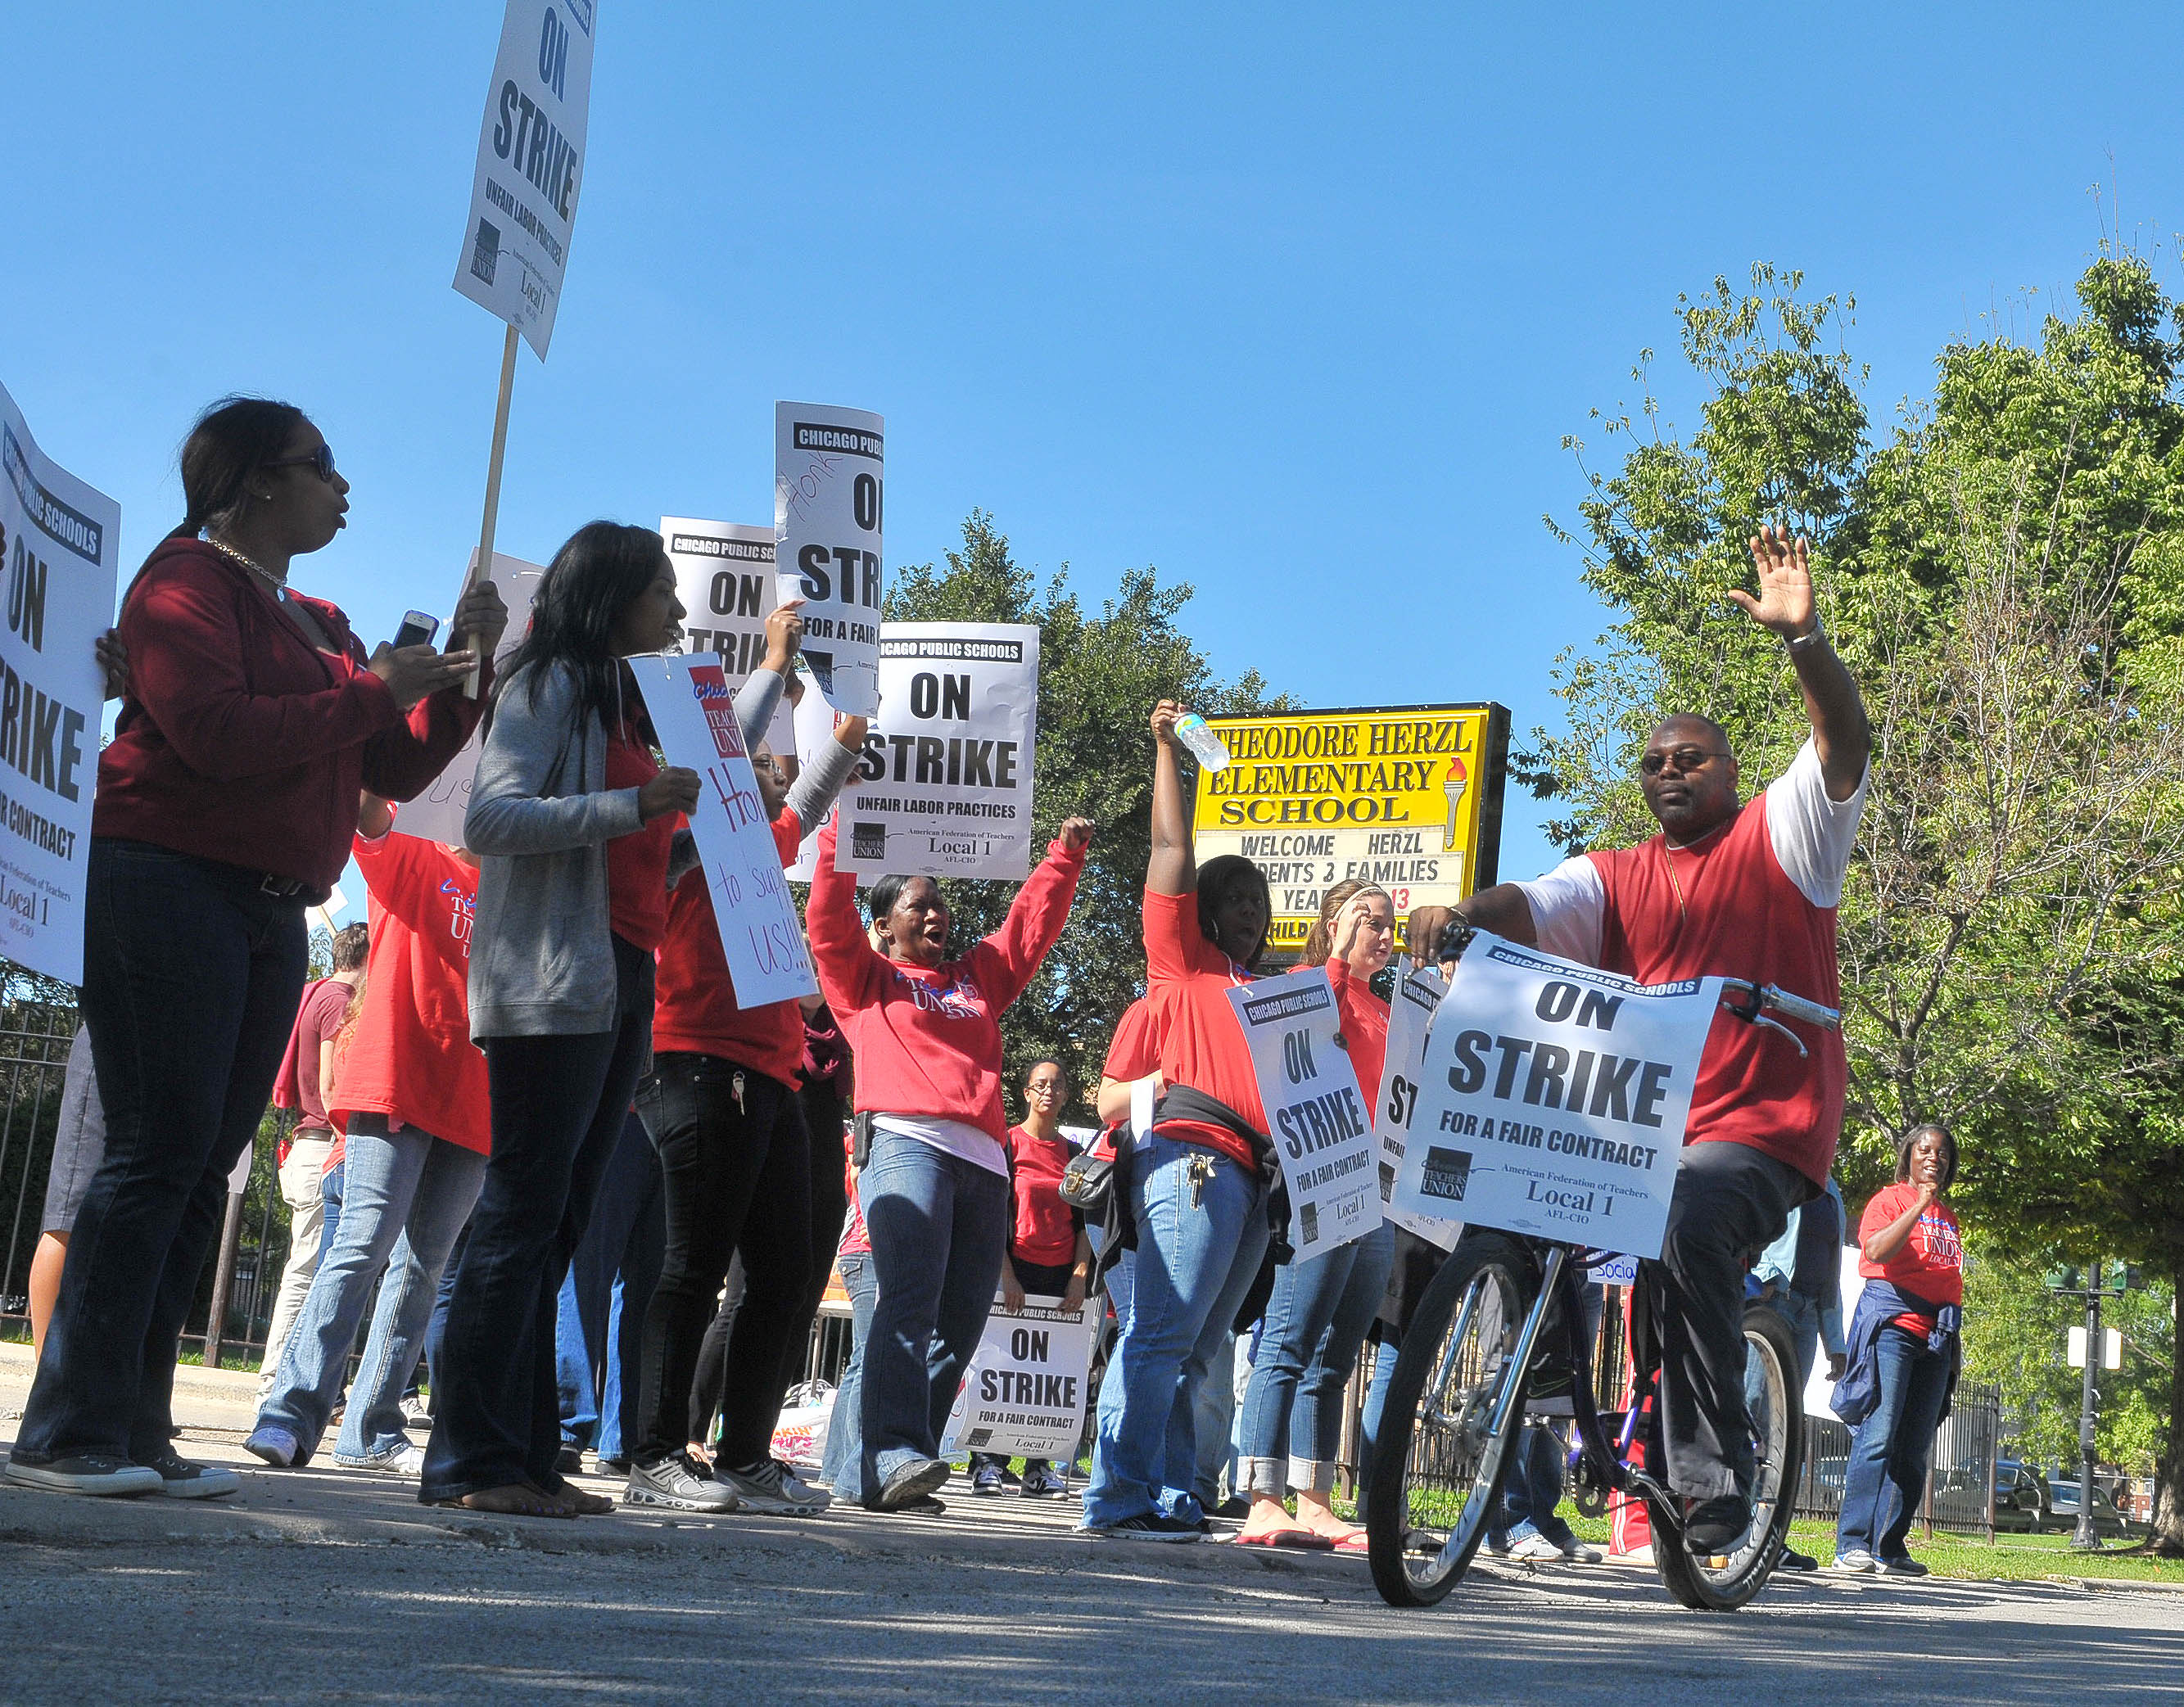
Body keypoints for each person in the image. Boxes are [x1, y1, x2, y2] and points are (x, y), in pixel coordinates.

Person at [7, 396, 498, 1500]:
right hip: (167, 877)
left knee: (195, 1168)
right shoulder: (182, 582)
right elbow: (217, 732)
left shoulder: (318, 617)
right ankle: (66, 1426)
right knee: (153, 1149)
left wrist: (464, 681)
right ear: (254, 481)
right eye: (320, 466)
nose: (342, 486)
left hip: (270, 907)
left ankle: (135, 1426)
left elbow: (391, 775)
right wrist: (375, 690)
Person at [1409, 527, 1870, 1557]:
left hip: (1762, 1124)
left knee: (1689, 1216)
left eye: (1690, 759)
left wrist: (1805, 642)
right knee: (1520, 1190)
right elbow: (1534, 901)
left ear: (1730, 772)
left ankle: (1709, 1474)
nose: (1670, 773)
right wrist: (1464, 914)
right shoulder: (1615, 873)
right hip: (1638, 1129)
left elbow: (1843, 743)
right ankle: (1548, 1370)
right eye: (1655, 762)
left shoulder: (1784, 836)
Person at [418, 521, 699, 1520]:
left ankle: (531, 1459)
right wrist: (636, 807)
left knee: (562, 1220)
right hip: (550, 978)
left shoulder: (620, 702)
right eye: (661, 591)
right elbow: (492, 820)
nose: (676, 610)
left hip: (620, 974)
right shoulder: (546, 685)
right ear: (610, 593)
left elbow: (629, 858)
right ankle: (467, 1462)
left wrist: (690, 835)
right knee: (523, 1208)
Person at [625, 626, 869, 1515]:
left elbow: (808, 798)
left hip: (772, 1078)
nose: (769, 771)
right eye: (754, 763)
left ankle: (745, 1456)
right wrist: (772, 665)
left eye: (772, 766)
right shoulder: (688, 834)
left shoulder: (766, 844)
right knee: (693, 1265)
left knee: (781, 1271)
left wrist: (846, 735)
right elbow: (716, 747)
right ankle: (653, 1452)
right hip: (697, 1065)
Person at [809, 810, 1093, 1511]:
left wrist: (1064, 856)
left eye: (939, 900)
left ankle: (891, 1468)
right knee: (907, 1301)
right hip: (907, 1143)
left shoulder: (973, 980)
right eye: (918, 902)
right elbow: (825, 914)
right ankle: (891, 1454)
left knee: (962, 1319)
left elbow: (1026, 932)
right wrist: (841, 831)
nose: (937, 910)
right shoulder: (863, 977)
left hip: (984, 1162)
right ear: (883, 924)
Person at [245, 791, 493, 1474]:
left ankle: (372, 1431)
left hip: (473, 1100)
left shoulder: (515, 883)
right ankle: (289, 1414)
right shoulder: (412, 848)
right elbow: (363, 808)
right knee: (360, 1244)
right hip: (394, 1084)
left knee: (421, 1269)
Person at [1081, 701, 1277, 1542]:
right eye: (1231, 895)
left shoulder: (1272, 995)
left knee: (1201, 1348)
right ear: (1200, 909)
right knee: (1161, 1335)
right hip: (1190, 1159)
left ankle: (1174, 1494)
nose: (1248, 908)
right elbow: (1170, 850)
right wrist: (1168, 750)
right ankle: (1118, 1497)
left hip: (1255, 1178)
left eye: (1260, 898)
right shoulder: (1183, 970)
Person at [1233, 883, 1399, 1551]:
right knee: (1287, 1342)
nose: (1384, 936)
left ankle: (1314, 1502)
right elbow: (1299, 1041)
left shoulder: (1389, 1009)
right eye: (1371, 922)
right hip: (1319, 1180)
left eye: (1391, 925)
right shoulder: (1305, 983)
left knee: (1334, 1360)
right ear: (1335, 923)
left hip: (1376, 1194)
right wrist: (1333, 958)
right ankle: (1260, 1498)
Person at [1830, 1125, 1962, 1577]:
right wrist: (1920, 1203)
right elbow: (1877, 1250)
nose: (1933, 1158)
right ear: (1908, 1154)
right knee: (1879, 1433)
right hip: (1893, 1326)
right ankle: (1852, 1543)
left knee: (1915, 1445)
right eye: (1925, 1150)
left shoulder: (1949, 1216)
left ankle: (1891, 1545)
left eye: (1942, 1154)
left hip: (1937, 1333)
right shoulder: (1889, 1200)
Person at [969, 1059, 1093, 1497]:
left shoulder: (1074, 1155)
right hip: (1013, 1269)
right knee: (1001, 1367)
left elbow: (1084, 1226)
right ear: (1025, 1092)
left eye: (1058, 1085)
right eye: (1041, 1084)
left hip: (1060, 1276)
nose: (1049, 1092)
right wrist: (1008, 1278)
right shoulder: (1006, 1145)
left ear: (1065, 1096)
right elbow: (991, 1216)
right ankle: (987, 1462)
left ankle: (1039, 1468)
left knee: (1049, 1376)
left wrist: (1078, 1278)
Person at [257, 923, 369, 1401]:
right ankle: (275, 1383)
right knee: (308, 1271)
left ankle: (296, 1382)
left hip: (307, 1144)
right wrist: (348, 1133)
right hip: (325, 1142)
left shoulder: (317, 993)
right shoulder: (340, 1002)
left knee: (309, 1268)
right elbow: (329, 1084)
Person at [554, 1110, 665, 1474]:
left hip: (672, 1117)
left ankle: (621, 1440)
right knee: (586, 1278)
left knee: (645, 1293)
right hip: (622, 1110)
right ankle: (566, 1430)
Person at [1748, 1173, 1848, 1572]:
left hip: (1808, 1312)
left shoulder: (1832, 1190)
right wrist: (1764, 1277)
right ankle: (1735, 1531)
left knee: (1783, 1424)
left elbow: (1831, 1268)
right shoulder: (1779, 1168)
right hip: (1773, 1302)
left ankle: (1770, 1538)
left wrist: (1835, 1341)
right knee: (1751, 1411)